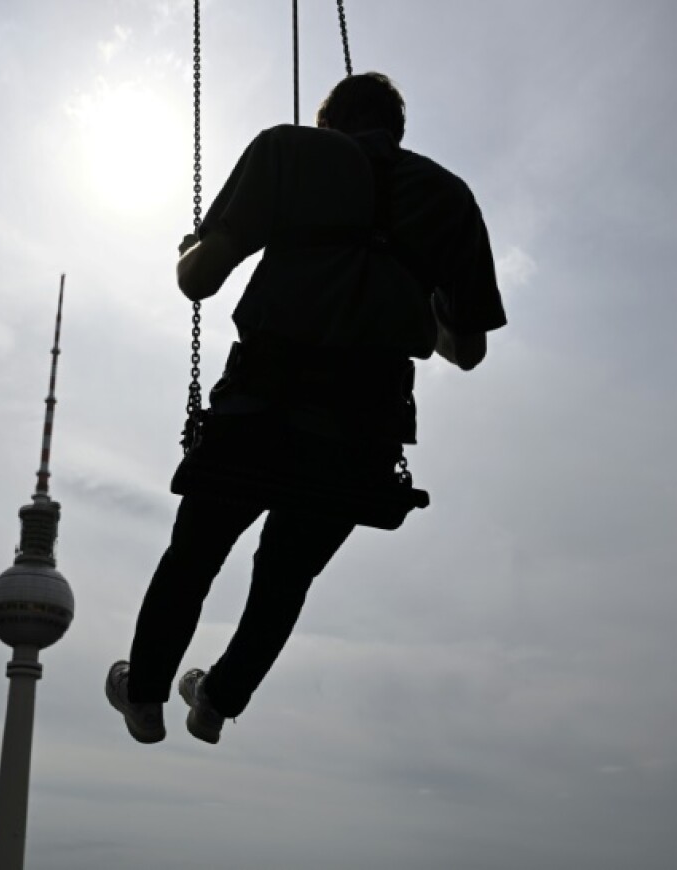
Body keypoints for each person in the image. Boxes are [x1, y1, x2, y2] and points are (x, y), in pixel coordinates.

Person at [106, 72, 506, 745]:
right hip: (364, 427)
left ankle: (145, 697)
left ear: (330, 123)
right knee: (286, 572)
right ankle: (218, 700)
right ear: (396, 127)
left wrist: (188, 256)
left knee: (196, 553)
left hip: (264, 402)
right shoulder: (450, 197)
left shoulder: (288, 152)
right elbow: (465, 351)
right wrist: (416, 296)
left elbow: (200, 282)